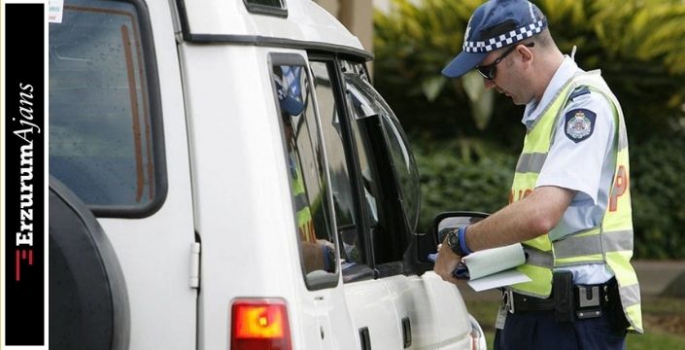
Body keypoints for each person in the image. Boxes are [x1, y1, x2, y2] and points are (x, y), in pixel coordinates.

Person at [433, 0, 643, 348]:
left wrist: (461, 240)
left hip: (572, 322)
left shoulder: (583, 108)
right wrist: (484, 260)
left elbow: (541, 214)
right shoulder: (546, 110)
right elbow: (547, 241)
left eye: (488, 71)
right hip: (541, 316)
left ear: (523, 55)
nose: (487, 85)